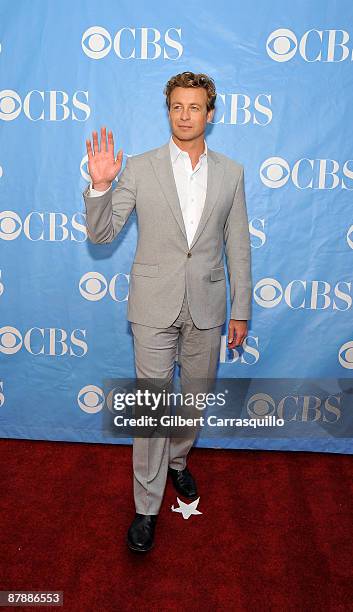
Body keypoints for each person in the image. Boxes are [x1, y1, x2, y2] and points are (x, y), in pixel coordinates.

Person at [83, 71, 252, 553]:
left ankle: (178, 461)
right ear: (169, 111)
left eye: (195, 107)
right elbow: (102, 234)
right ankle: (146, 507)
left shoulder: (232, 172)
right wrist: (100, 188)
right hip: (153, 306)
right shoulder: (138, 167)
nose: (185, 115)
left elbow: (237, 246)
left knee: (193, 402)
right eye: (177, 106)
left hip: (209, 305)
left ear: (210, 114)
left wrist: (241, 310)